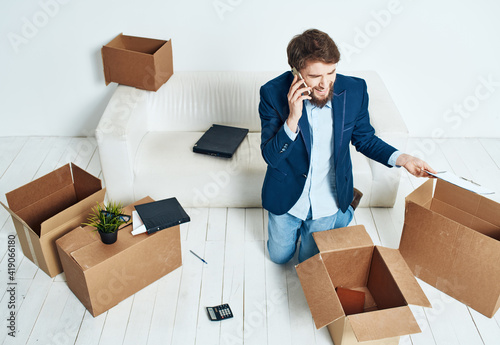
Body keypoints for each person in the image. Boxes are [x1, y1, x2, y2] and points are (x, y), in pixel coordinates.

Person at [259, 29, 436, 264]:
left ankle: (345, 208)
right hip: (288, 196)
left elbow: (365, 139)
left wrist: (403, 159)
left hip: (327, 197)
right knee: (279, 258)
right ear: (296, 72)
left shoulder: (355, 90)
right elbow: (271, 157)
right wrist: (292, 118)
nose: (325, 84)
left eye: (331, 72)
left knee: (307, 263)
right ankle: (337, 215)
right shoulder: (272, 93)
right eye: (314, 76)